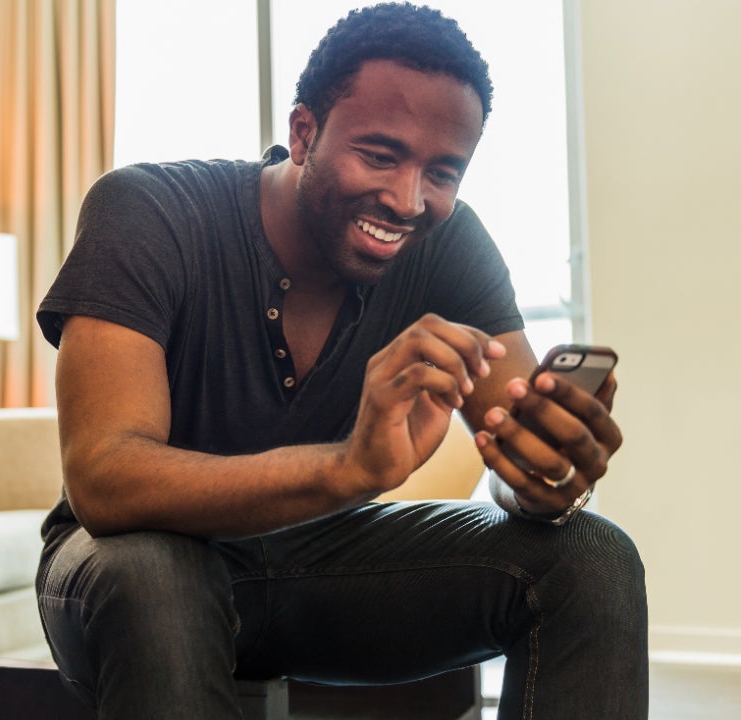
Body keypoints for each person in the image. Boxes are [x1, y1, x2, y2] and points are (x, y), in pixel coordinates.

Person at [34, 3, 648, 719]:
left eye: (442, 172)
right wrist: (347, 467)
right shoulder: (148, 211)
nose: (408, 200)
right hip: (127, 568)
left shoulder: (449, 246)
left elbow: (514, 453)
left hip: (318, 570)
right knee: (156, 572)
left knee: (592, 557)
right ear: (304, 133)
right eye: (381, 156)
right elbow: (104, 480)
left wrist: (543, 482)